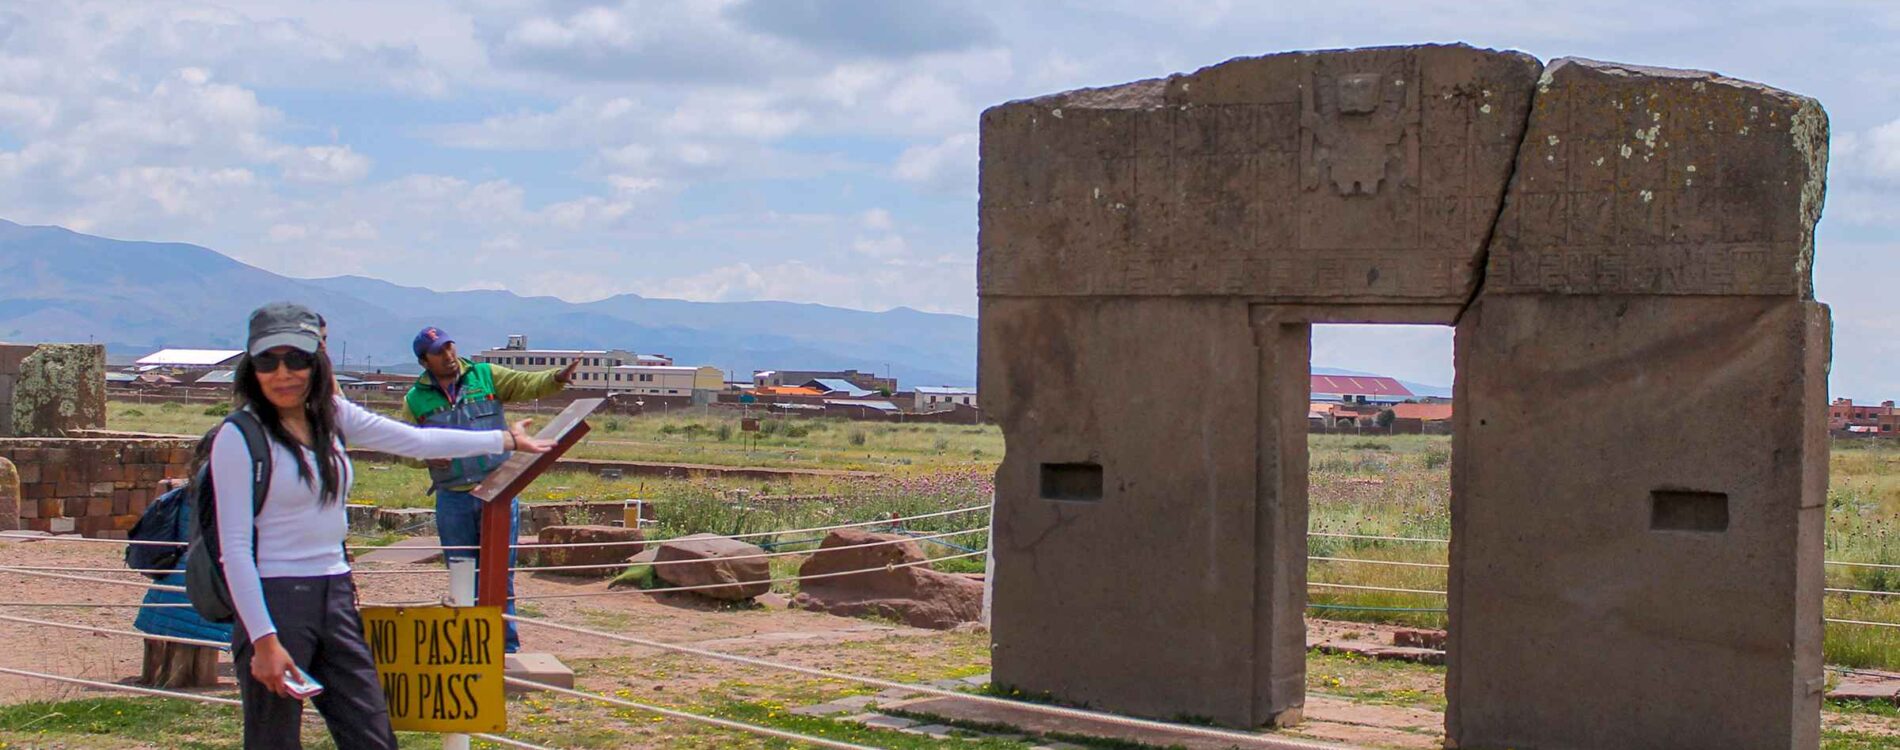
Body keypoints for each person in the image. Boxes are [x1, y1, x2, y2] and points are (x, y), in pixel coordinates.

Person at [215, 303, 552, 748]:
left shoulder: (331, 414)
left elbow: (414, 440)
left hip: (335, 593)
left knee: (371, 734)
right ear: (250, 367)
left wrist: (505, 439)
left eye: (296, 359)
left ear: (316, 361)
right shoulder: (238, 436)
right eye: (267, 361)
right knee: (274, 740)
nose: (283, 373)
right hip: (275, 598)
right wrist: (263, 640)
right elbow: (235, 549)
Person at [401, 327, 575, 653]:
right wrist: (426, 456)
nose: (449, 355)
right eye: (439, 352)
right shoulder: (414, 400)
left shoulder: (485, 376)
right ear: (424, 361)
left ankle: (504, 647)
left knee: (498, 571)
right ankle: (466, 646)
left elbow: (526, 383)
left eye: (450, 347)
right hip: (453, 496)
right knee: (461, 572)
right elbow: (405, 448)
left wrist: (556, 377)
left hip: (498, 492)